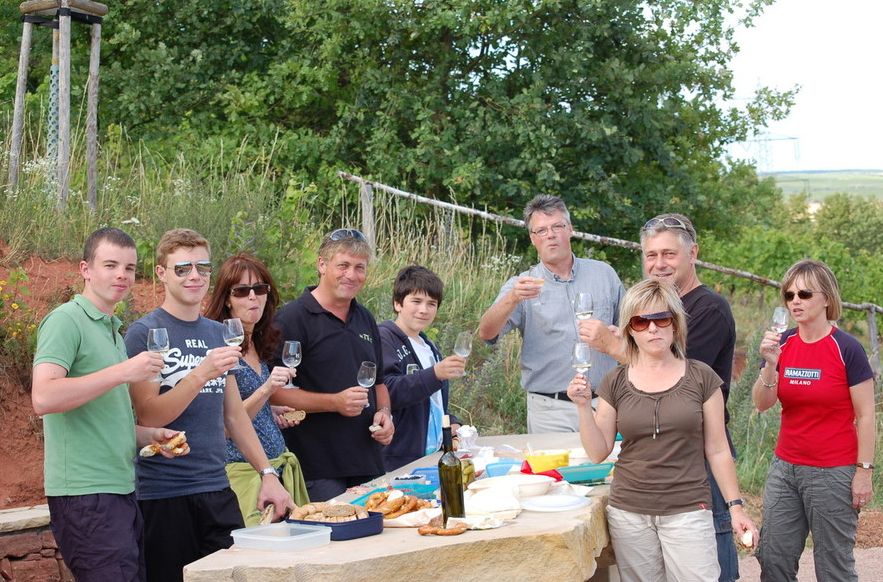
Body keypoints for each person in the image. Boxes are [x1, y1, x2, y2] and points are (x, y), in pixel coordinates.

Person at [125, 229, 294, 582]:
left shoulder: (218, 333)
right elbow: (150, 414)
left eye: (202, 267)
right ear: (161, 273)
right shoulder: (146, 333)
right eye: (182, 268)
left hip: (217, 488)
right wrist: (201, 373)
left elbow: (233, 416)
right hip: (164, 494)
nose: (195, 276)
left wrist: (267, 474)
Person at [583, 212, 741, 581]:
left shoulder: (708, 307)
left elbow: (672, 372)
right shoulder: (657, 308)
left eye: (668, 254)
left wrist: (613, 344)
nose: (659, 264)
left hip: (697, 451)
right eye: (651, 255)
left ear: (693, 254)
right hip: (651, 472)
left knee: (714, 559)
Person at [31, 227, 182, 582]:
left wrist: (149, 436)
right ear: (85, 269)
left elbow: (100, 419)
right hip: (85, 496)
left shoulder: (111, 329)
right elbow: (44, 397)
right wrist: (123, 371)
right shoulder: (66, 320)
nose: (121, 275)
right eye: (110, 265)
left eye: (129, 268)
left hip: (120, 491)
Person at [753, 259, 875, 581]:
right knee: (772, 557)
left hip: (833, 472)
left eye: (805, 293)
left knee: (833, 566)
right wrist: (769, 365)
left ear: (826, 298)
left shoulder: (847, 348)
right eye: (789, 294)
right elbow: (762, 404)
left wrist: (864, 471)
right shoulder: (784, 344)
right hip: (785, 468)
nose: (795, 300)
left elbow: (865, 415)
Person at [478, 194, 625, 433]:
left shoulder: (604, 274)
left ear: (570, 229)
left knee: (610, 471)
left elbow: (630, 329)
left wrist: (618, 337)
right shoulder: (521, 285)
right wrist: (512, 298)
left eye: (557, 226)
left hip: (607, 404)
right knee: (554, 472)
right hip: (550, 411)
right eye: (541, 230)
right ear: (532, 239)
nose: (551, 234)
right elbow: (485, 333)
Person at [272, 228, 394, 501]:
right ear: (322, 265)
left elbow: (380, 384)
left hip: (367, 460)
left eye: (359, 267)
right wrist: (335, 402)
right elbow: (274, 392)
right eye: (343, 265)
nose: (351, 275)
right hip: (318, 467)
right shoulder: (291, 319)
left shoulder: (366, 319)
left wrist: (386, 415)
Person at [204, 252, 310, 525]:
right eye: (241, 291)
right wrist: (266, 390)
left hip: (276, 469)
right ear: (226, 299)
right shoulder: (219, 348)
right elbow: (225, 424)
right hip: (244, 475)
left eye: (259, 289)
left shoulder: (255, 343)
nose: (253, 297)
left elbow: (243, 404)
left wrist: (269, 410)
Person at [378, 265, 464, 471]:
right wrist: (435, 374)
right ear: (398, 303)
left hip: (432, 456)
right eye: (416, 301)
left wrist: (452, 423)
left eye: (431, 304)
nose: (424, 310)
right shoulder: (383, 338)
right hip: (398, 459)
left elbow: (434, 402)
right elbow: (387, 392)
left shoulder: (429, 347)